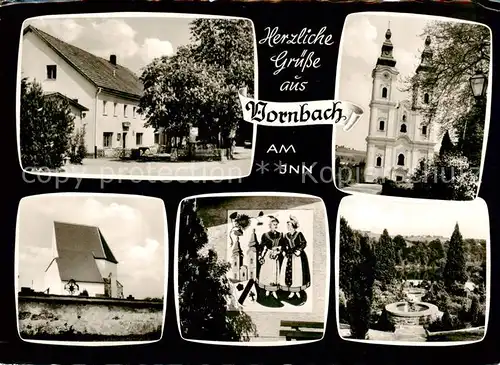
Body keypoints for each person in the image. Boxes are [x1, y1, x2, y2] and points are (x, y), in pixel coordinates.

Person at [279, 216, 311, 301]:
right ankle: (291, 292)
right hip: (288, 256)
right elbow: (283, 245)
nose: (288, 227)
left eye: (289, 225)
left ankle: (297, 291)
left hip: (297, 256)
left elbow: (304, 243)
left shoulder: (299, 234)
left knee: (297, 273)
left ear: (293, 225)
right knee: (288, 273)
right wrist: (284, 251)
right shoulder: (286, 236)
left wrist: (299, 250)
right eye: (287, 225)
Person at [256, 217, 283, 299]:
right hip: (268, 256)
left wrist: (278, 251)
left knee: (274, 273)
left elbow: (282, 245)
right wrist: (260, 255)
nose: (276, 226)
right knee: (268, 272)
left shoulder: (280, 235)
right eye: (274, 224)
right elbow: (261, 246)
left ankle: (274, 291)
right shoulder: (265, 235)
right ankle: (268, 290)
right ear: (270, 225)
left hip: (276, 255)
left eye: (276, 225)